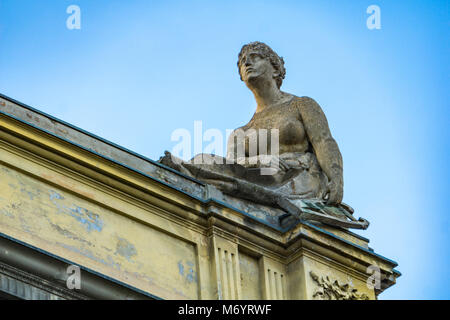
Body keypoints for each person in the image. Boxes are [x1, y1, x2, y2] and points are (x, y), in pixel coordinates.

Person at [160, 41, 344, 209]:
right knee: (204, 160)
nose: (247, 63)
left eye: (255, 57)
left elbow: (323, 141)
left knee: (238, 186)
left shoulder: (301, 104)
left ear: (275, 69)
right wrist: (261, 160)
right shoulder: (241, 132)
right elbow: (235, 164)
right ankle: (184, 171)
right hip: (258, 176)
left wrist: (336, 179)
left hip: (299, 177)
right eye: (242, 61)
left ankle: (189, 174)